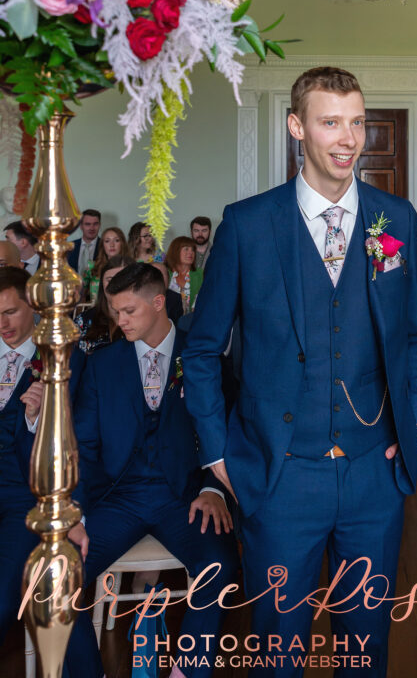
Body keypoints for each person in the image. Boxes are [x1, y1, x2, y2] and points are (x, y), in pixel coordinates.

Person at [183, 65, 417, 678]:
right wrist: (217, 454)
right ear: (298, 127)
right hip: (279, 475)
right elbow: (201, 349)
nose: (349, 139)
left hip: (374, 474)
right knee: (277, 652)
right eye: (331, 122)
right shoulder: (246, 224)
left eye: (357, 123)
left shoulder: (393, 219)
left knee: (365, 650)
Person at [65, 262, 239, 678]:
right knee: (57, 574)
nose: (119, 321)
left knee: (221, 566)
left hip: (184, 498)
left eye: (128, 311)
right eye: (115, 311)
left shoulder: (203, 357)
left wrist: (213, 490)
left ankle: (186, 672)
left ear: (159, 303)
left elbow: (229, 431)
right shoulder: (103, 365)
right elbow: (85, 447)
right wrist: (77, 511)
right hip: (116, 499)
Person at [0, 267, 85, 647]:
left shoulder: (65, 357)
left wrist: (35, 421)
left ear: (33, 306)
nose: (1, 324)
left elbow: (78, 438)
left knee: (4, 585)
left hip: (26, 492)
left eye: (9, 312)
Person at [74, 254, 134, 353]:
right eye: (110, 280)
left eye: (122, 278)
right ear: (102, 284)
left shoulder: (144, 321)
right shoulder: (83, 321)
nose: (115, 285)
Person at [84, 226, 129, 302]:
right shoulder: (92, 266)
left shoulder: (131, 267)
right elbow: (81, 294)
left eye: (116, 240)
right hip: (96, 311)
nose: (112, 245)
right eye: (107, 241)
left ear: (122, 243)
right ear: (103, 245)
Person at [166, 237, 203, 314]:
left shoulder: (200, 274)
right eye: (186, 249)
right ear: (175, 251)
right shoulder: (165, 273)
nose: (191, 252)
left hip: (191, 320)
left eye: (193, 249)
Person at [67, 209, 101, 276]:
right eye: (87, 224)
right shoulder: (69, 247)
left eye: (95, 224)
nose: (92, 228)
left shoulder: (105, 246)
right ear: (81, 226)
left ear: (99, 225)